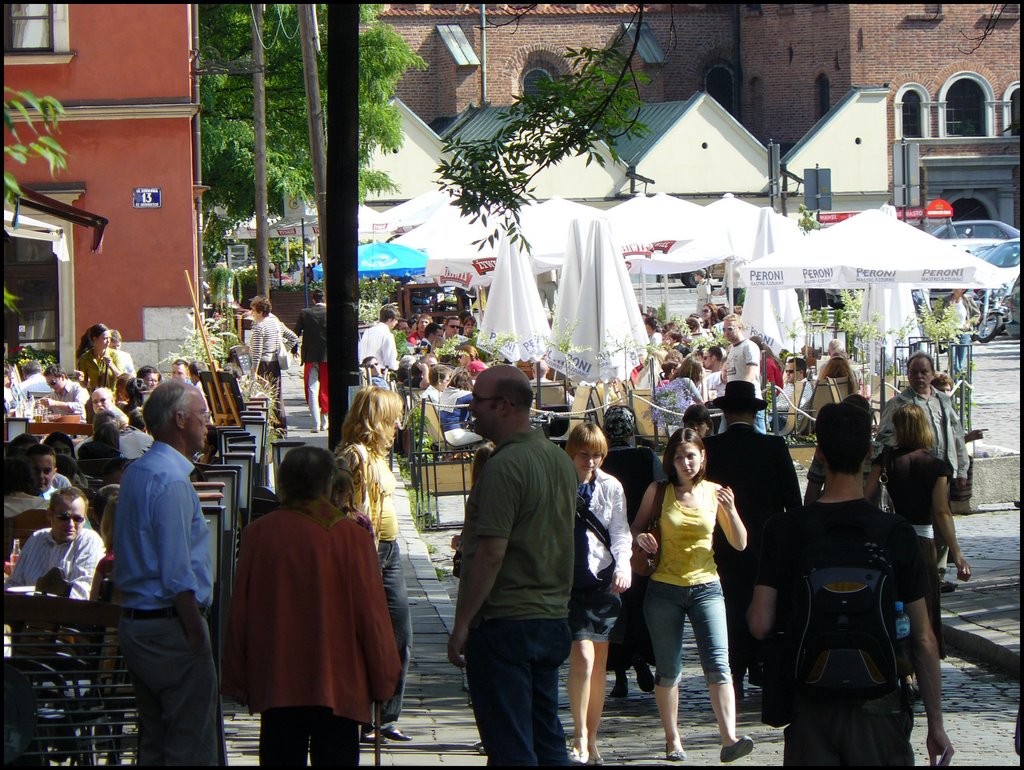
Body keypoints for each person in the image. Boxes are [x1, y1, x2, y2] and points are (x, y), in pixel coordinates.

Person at [748, 402, 953, 766]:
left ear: (820, 453)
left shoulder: (785, 529)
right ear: (868, 452)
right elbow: (923, 638)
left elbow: (760, 623)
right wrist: (935, 725)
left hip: (810, 705)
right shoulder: (896, 533)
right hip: (880, 704)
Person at [221, 447, 401, 766]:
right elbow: (372, 617)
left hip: (278, 682)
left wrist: (237, 675)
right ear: (327, 483)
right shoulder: (352, 538)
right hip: (339, 683)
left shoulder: (259, 535)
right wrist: (384, 675)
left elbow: (241, 612)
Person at [447, 365, 578, 766]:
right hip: (550, 617)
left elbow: (490, 552)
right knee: (547, 739)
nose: (472, 411)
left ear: (504, 406)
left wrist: (463, 621)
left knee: (510, 747)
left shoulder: (504, 466)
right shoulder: (557, 460)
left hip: (506, 620)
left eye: (478, 403)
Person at [631, 429, 754, 763]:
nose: (685, 462)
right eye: (678, 456)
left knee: (718, 663)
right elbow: (636, 527)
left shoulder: (715, 493)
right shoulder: (658, 491)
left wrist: (731, 511)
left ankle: (729, 738)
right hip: (664, 588)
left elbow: (740, 543)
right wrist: (641, 539)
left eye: (691, 455)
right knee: (669, 669)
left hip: (706, 587)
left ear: (702, 457)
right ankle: (673, 739)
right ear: (670, 460)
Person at [113, 380, 218, 765]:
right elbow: (178, 573)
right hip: (168, 626)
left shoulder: (138, 472)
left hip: (139, 624)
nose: (207, 423)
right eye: (202, 415)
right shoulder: (170, 480)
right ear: (179, 419)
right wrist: (195, 633)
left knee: (155, 740)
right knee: (188, 745)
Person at [703, 380, 801, 698]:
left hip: (722, 542)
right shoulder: (774, 447)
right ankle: (762, 663)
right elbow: (793, 503)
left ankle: (734, 670)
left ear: (727, 412)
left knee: (730, 605)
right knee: (766, 603)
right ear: (752, 411)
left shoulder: (711, 449)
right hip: (766, 543)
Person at [335, 387, 414, 744]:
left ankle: (385, 714)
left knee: (400, 632)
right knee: (371, 632)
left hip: (389, 550)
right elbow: (343, 507)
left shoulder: (379, 455)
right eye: (394, 416)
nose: (399, 423)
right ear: (377, 419)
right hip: (369, 551)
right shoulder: (354, 456)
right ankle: (366, 713)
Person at [865, 403, 972, 657]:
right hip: (923, 543)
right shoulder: (936, 466)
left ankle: (901, 664)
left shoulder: (886, 461)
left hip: (892, 540)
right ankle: (925, 659)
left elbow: (866, 497)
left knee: (894, 603)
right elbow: (941, 512)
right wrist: (957, 555)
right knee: (925, 606)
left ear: (899, 429)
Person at [563, 423, 632, 766]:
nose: (590, 462)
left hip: (604, 580)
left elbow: (620, 531)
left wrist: (623, 567)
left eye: (597, 455)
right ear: (571, 453)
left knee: (599, 664)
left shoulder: (611, 486)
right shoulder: (559, 483)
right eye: (584, 455)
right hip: (570, 583)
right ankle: (576, 734)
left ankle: (592, 737)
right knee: (583, 656)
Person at [876, 351, 970, 590]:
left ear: (932, 374)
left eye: (924, 372)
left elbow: (957, 434)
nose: (919, 376)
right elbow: (883, 436)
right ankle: (917, 571)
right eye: (914, 372)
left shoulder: (942, 400)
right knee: (919, 520)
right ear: (908, 374)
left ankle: (936, 573)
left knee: (942, 518)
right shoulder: (899, 404)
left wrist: (961, 469)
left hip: (941, 469)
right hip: (913, 472)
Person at [600, 406, 662, 700]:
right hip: (641, 543)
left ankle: (620, 675)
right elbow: (662, 490)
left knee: (616, 608)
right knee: (641, 604)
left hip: (609, 544)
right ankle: (641, 655)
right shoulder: (646, 457)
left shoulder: (601, 463)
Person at [6, 487, 104, 600]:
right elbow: (13, 583)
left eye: (77, 519)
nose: (71, 524)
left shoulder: (89, 541)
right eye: (64, 517)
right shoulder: (36, 538)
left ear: (85, 519)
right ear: (49, 515)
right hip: (27, 610)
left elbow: (82, 593)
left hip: (66, 613)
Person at [249, 295, 299, 435]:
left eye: (253, 310)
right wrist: (283, 349)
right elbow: (293, 337)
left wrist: (254, 369)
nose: (252, 314)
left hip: (264, 364)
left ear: (259, 311)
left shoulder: (260, 326)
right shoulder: (276, 322)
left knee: (264, 394)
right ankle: (280, 425)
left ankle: (269, 425)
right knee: (277, 394)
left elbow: (257, 351)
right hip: (275, 362)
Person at [720, 315, 765, 434]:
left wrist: (741, 392)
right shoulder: (731, 349)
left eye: (729, 329)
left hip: (750, 400)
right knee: (724, 435)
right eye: (723, 329)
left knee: (760, 437)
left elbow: (751, 373)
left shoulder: (749, 346)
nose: (726, 333)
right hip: (733, 401)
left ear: (740, 327)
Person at [294, 289, 329, 433]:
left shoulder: (305, 313)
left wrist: (294, 349)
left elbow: (295, 333)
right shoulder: (329, 314)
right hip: (326, 357)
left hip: (310, 356)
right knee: (326, 389)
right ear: (324, 299)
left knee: (312, 389)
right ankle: (325, 421)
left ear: (314, 300)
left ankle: (316, 423)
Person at [78, 323, 132, 390]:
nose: (108, 341)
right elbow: (84, 384)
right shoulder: (85, 358)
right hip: (95, 396)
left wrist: (111, 365)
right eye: (105, 338)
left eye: (109, 338)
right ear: (95, 339)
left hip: (113, 395)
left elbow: (122, 378)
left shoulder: (115, 355)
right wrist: (80, 379)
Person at [358, 306, 400, 373]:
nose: (397, 322)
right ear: (390, 319)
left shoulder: (367, 331)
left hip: (363, 372)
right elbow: (390, 363)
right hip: (378, 373)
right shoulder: (387, 335)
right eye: (396, 319)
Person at [947, 289, 979, 375]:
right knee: (953, 361)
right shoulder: (946, 300)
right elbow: (938, 315)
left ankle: (960, 384)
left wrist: (969, 322)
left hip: (964, 333)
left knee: (961, 361)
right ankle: (954, 382)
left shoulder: (968, 300)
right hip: (951, 333)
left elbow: (977, 314)